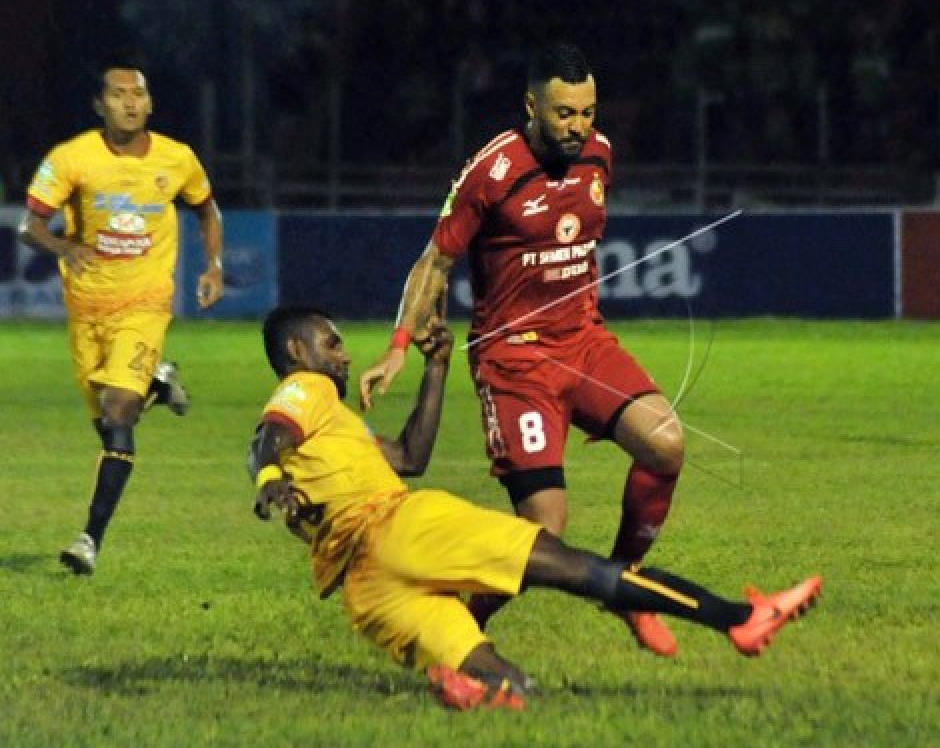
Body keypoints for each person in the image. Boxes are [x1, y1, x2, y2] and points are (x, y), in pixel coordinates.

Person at [250, 305, 822, 711]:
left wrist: (438, 367)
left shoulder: (334, 429)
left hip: (367, 589)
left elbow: (410, 455)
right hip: (399, 527)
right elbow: (265, 441)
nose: (345, 356)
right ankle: (739, 619)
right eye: (333, 343)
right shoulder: (306, 389)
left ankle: (471, 694)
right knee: (573, 567)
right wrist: (271, 476)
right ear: (299, 350)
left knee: (511, 687)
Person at [358, 42, 687, 656]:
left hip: (585, 342)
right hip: (515, 359)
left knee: (666, 445)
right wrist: (400, 343)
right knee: (542, 532)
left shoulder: (600, 156)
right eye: (564, 113)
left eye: (588, 111)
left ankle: (625, 586)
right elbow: (435, 260)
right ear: (531, 105)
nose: (579, 126)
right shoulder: (492, 172)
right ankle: (453, 631)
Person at [20, 63, 225, 573]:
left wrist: (214, 266)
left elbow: (207, 208)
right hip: (87, 313)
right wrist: (62, 246)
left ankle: (89, 540)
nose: (130, 102)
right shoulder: (72, 158)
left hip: (145, 304)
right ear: (100, 105)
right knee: (109, 426)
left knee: (117, 417)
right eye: (118, 94)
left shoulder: (177, 159)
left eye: (138, 94)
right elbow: (30, 225)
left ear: (150, 104)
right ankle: (157, 381)